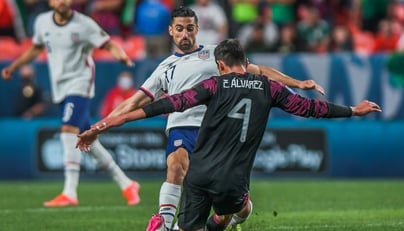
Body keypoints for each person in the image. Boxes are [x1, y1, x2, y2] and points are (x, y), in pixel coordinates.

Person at [76, 39, 382, 230]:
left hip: (198, 176)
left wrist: (102, 125)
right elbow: (310, 109)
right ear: (247, 64)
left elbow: (162, 106)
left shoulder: (213, 86)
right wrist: (353, 110)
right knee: (236, 211)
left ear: (220, 65)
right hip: (232, 180)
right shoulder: (269, 87)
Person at [88, 6, 324, 231]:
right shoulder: (164, 68)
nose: (185, 33)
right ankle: (164, 223)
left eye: (190, 28)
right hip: (182, 126)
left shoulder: (215, 53)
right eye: (179, 28)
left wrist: (297, 83)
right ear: (171, 30)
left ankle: (235, 215)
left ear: (197, 29)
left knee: (236, 205)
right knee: (175, 165)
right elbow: (133, 102)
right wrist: (101, 126)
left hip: (216, 130)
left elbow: (259, 71)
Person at [1, 0, 140, 207]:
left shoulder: (84, 24)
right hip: (61, 87)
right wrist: (14, 66)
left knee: (68, 129)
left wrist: (122, 57)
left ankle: (69, 192)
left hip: (80, 82)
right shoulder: (42, 22)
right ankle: (127, 183)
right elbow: (35, 49)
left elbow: (108, 43)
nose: (62, 1)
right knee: (88, 140)